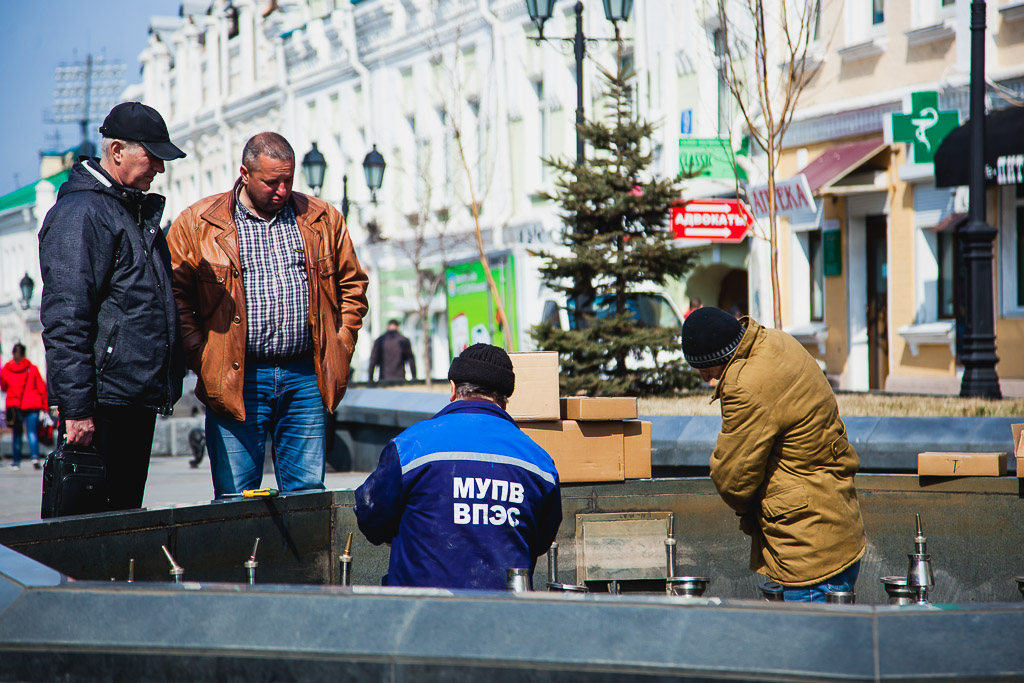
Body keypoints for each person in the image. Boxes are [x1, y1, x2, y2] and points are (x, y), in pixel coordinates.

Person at [167, 132, 369, 497]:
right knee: (234, 498)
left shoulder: (323, 219)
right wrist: (201, 354)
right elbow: (175, 295)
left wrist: (341, 343)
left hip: (306, 377)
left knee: (307, 495)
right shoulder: (198, 223)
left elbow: (353, 286)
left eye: (288, 181)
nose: (281, 190)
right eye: (271, 181)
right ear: (245, 173)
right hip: (234, 377)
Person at [38, 102, 186, 512]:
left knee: (121, 525)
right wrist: (78, 408)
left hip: (132, 397)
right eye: (152, 156)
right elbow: (66, 316)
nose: (159, 167)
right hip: (103, 405)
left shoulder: (129, 211)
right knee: (91, 533)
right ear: (117, 150)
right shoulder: (83, 213)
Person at [681, 307, 865, 602]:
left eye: (706, 370)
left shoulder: (745, 386)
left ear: (714, 361)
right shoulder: (778, 341)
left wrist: (747, 505)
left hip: (807, 547)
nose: (707, 379)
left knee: (808, 645)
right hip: (839, 521)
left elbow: (733, 479)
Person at [355, 343, 562, 590]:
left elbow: (370, 514)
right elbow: (539, 542)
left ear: (453, 389)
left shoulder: (410, 446)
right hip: (506, 616)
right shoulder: (539, 462)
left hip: (418, 614)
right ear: (505, 400)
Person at [0, 344, 47, 470]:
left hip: (15, 406)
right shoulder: (32, 369)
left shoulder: (6, 370)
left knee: (17, 434)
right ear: (24, 354)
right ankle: (35, 457)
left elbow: (4, 387)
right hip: (33, 404)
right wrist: (46, 406)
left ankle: (16, 462)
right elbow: (41, 388)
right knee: (32, 433)